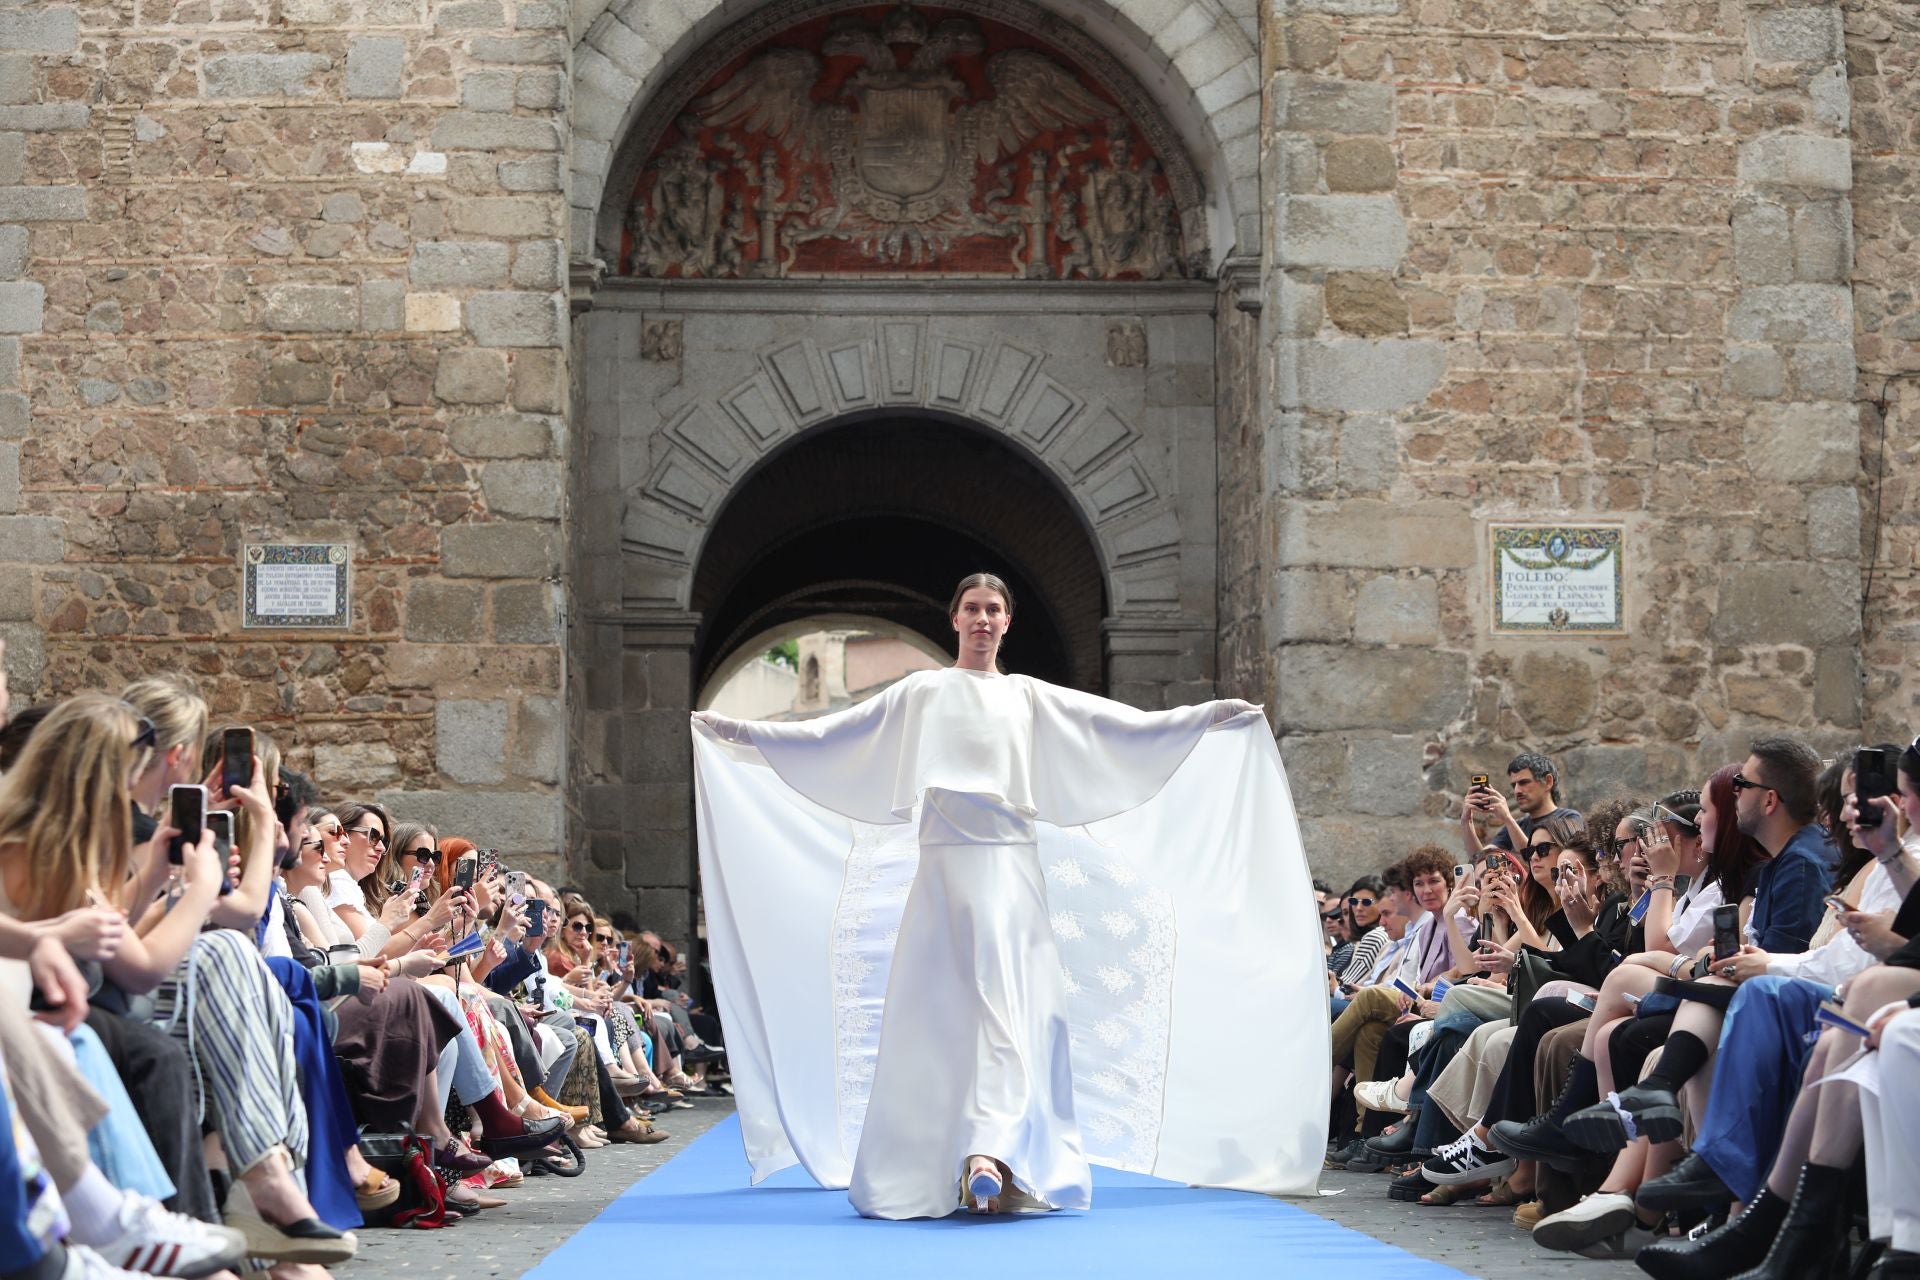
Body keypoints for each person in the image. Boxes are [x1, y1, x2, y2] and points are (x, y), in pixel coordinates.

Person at [691, 572, 1319, 1219]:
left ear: (1006, 621)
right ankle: (967, 1157)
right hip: (944, 877)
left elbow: (1123, 731)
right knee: (941, 1017)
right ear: (955, 619)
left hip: (1011, 875)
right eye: (972, 608)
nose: (983, 618)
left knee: (1012, 1012)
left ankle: (992, 1155)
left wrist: (1205, 722)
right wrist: (743, 735)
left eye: (993, 608)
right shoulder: (921, 693)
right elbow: (833, 738)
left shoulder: (1028, 698)